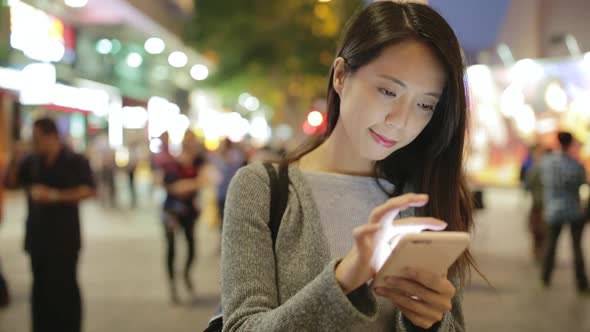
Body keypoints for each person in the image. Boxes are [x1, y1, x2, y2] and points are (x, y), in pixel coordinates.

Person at [221, 2, 478, 331]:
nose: (401, 121)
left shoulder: (423, 193)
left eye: (425, 104)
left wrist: (430, 323)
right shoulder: (263, 188)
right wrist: (343, 280)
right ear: (341, 76)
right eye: (387, 91)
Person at [4, 117, 95, 332]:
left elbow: (89, 190)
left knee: (66, 287)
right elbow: (11, 183)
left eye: (37, 138)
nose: (34, 143)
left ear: (51, 136)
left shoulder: (74, 160)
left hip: (65, 238)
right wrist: (14, 159)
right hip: (38, 237)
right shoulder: (31, 160)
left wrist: (55, 196)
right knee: (40, 289)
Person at [161, 131, 209, 303]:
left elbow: (204, 181)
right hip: (171, 211)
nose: (190, 144)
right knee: (171, 248)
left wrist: (184, 185)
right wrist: (192, 184)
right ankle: (172, 285)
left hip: (189, 211)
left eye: (192, 141)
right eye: (188, 141)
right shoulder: (172, 162)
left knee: (191, 246)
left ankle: (186, 275)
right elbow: (171, 187)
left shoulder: (199, 161)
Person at [540, 131, 589, 293]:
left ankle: (545, 277)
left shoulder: (546, 162)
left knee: (551, 244)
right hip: (573, 210)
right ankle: (581, 282)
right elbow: (582, 182)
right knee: (576, 247)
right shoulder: (575, 165)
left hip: (553, 209)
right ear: (571, 143)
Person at [524, 145, 549, 263]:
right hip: (549, 204)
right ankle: (543, 251)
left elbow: (528, 184)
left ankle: (537, 251)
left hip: (537, 203)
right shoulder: (550, 167)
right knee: (545, 229)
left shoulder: (536, 167)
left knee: (536, 228)